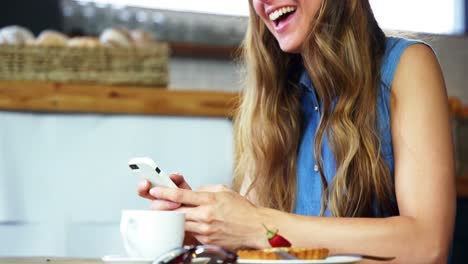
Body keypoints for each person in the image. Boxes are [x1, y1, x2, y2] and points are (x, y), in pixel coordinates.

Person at [138, 0, 456, 262]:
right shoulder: (272, 99)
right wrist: (212, 231)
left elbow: (428, 246)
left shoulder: (408, 67)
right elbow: (266, 243)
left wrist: (257, 224)